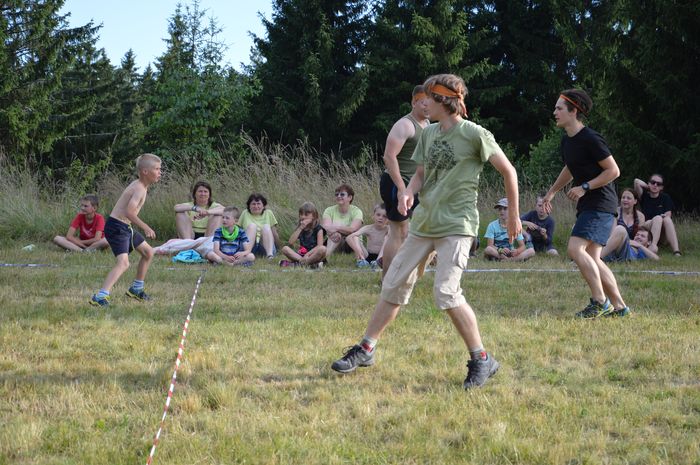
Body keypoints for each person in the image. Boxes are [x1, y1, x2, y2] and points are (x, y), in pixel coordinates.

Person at [331, 73, 521, 389]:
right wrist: (407, 192)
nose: (423, 103)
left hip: (457, 225)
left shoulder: (475, 134)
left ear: (443, 100)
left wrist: (513, 214)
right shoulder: (429, 133)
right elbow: (420, 173)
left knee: (446, 292)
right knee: (393, 283)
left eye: (428, 98)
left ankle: (482, 359)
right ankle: (366, 349)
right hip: (424, 223)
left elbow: (509, 171)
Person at [543, 89, 630, 318]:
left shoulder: (591, 138)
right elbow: (570, 168)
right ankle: (620, 308)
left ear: (574, 111)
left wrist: (585, 187)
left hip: (601, 203)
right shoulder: (567, 141)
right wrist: (551, 192)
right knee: (592, 257)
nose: (555, 112)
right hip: (589, 205)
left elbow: (613, 171)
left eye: (559, 108)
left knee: (575, 249)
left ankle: (600, 302)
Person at [90, 154, 161, 307]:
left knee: (148, 252)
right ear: (145, 171)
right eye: (156, 169)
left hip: (124, 227)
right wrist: (146, 227)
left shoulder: (141, 186)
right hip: (117, 227)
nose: (159, 172)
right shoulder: (139, 188)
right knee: (123, 263)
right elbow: (129, 212)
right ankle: (100, 296)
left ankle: (136, 289)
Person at [379, 85, 430, 276]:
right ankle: (387, 280)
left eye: (430, 103)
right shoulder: (405, 125)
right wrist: (401, 189)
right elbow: (389, 156)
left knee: (424, 230)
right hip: (396, 184)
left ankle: (406, 274)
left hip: (416, 185)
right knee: (398, 232)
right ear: (414, 102)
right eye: (423, 103)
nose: (427, 107)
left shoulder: (428, 124)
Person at [634, 174, 681, 255]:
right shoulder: (644, 196)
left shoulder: (665, 198)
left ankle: (676, 251)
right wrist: (649, 187)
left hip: (662, 233)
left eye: (658, 184)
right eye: (653, 182)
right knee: (657, 218)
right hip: (647, 230)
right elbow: (636, 181)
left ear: (661, 187)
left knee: (665, 219)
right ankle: (653, 246)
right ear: (648, 183)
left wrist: (662, 217)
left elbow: (668, 216)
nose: (655, 185)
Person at [280, 202, 327, 267]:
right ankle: (309, 265)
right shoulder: (300, 228)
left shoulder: (318, 228)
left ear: (314, 216)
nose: (303, 217)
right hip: (301, 255)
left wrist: (308, 254)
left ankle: (298, 264)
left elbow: (319, 246)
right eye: (301, 214)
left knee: (322, 249)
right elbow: (290, 242)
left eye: (306, 215)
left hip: (314, 254)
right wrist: (300, 228)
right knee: (285, 249)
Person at [321, 184, 363, 257]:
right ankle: (325, 258)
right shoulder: (329, 210)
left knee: (353, 237)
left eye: (342, 194)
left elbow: (353, 230)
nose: (339, 196)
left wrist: (337, 228)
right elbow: (326, 227)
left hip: (352, 243)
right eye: (337, 194)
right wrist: (339, 231)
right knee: (336, 235)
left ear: (350, 197)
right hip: (337, 241)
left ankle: (360, 259)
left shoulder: (357, 211)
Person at [239, 193, 281, 259]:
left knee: (266, 227)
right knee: (252, 226)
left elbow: (274, 233)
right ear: (249, 206)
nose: (256, 206)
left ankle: (270, 255)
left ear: (263, 206)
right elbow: (238, 231)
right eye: (253, 204)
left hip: (266, 247)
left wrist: (279, 248)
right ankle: (247, 253)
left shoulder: (268, 213)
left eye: (258, 204)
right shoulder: (245, 213)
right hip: (249, 247)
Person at [346, 203, 389, 268]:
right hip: (368, 256)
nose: (380, 218)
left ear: (388, 219)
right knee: (355, 237)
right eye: (378, 215)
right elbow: (348, 238)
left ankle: (377, 262)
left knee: (388, 237)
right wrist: (358, 251)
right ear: (373, 216)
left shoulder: (389, 229)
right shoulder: (368, 228)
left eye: (384, 216)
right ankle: (361, 260)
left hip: (382, 257)